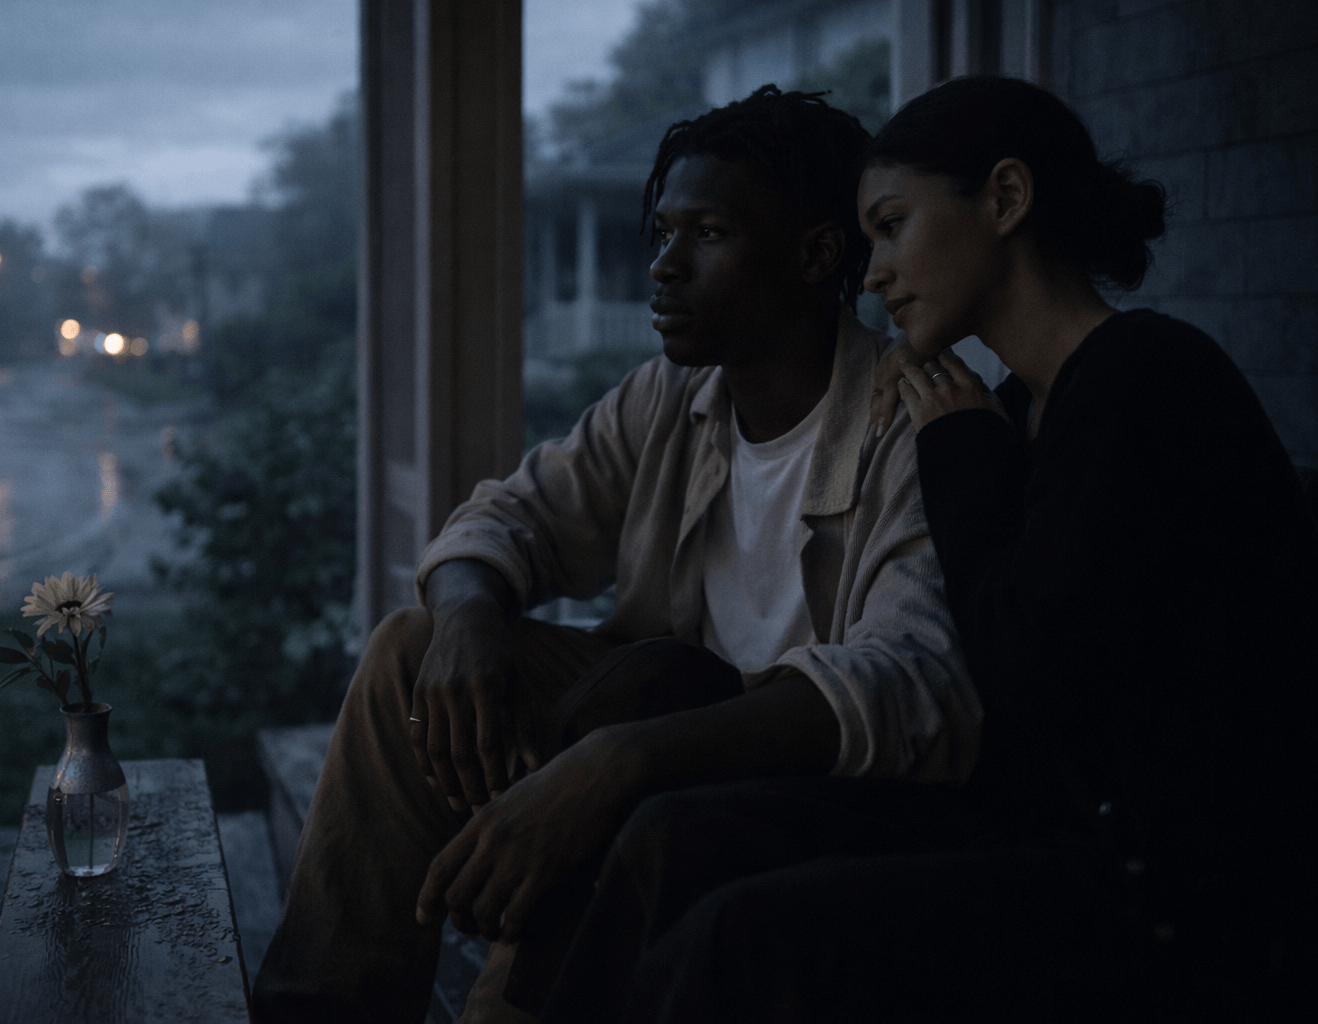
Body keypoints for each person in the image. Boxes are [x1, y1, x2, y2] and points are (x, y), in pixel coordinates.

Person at [576, 76, 1318, 1022]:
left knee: (742, 935)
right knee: (678, 830)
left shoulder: (1147, 380)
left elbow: (1028, 683)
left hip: (1169, 889)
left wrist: (964, 461)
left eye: (892, 225)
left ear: (1006, 200)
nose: (872, 271)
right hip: (1037, 821)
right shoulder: (1006, 405)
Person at [251, 86, 981, 1023]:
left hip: (789, 789)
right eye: (662, 234)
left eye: (707, 234)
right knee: (408, 652)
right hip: (645, 724)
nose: (665, 268)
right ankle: (322, 1011)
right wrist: (469, 616)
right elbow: (507, 518)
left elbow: (915, 679)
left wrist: (623, 760)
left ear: (814, 253)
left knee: (654, 688)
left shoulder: (908, 419)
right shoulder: (671, 400)